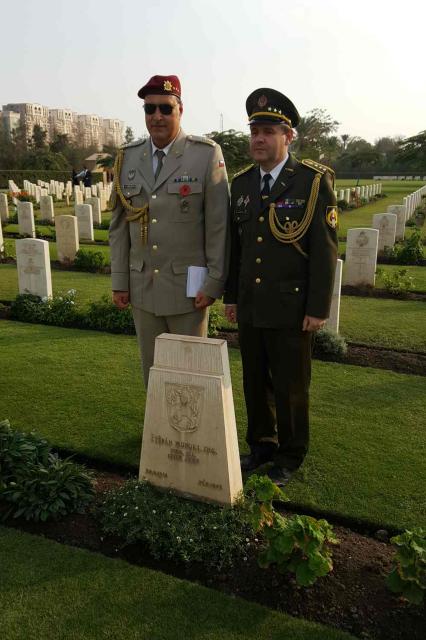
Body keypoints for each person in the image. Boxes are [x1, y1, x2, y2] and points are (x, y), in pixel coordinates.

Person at [223, 88, 338, 486]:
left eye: (268, 131)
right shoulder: (241, 185)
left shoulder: (311, 181)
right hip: (253, 305)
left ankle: (290, 454)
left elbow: (324, 250)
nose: (258, 138)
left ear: (288, 136)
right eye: (254, 130)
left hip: (292, 307)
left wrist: (318, 307)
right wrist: (232, 298)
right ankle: (262, 445)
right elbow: (237, 249)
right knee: (255, 380)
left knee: (290, 386)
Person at [109, 74, 229, 386]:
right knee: (152, 371)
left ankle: (191, 435)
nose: (157, 116)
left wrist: (214, 281)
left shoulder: (205, 154)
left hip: (189, 290)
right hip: (142, 285)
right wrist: (120, 281)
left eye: (165, 108)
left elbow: (218, 224)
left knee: (191, 372)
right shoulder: (128, 156)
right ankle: (157, 434)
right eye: (150, 110)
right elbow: (120, 226)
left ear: (180, 110)